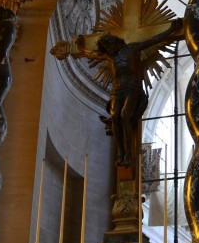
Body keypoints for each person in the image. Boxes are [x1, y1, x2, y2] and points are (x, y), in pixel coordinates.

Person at [60, 19, 182, 168]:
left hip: (132, 88)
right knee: (114, 116)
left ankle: (128, 154)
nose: (108, 50)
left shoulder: (132, 49)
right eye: (105, 48)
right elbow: (92, 54)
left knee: (125, 116)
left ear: (115, 42)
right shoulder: (109, 56)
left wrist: (171, 30)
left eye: (108, 46)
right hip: (117, 90)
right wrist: (79, 47)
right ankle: (121, 153)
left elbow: (154, 40)